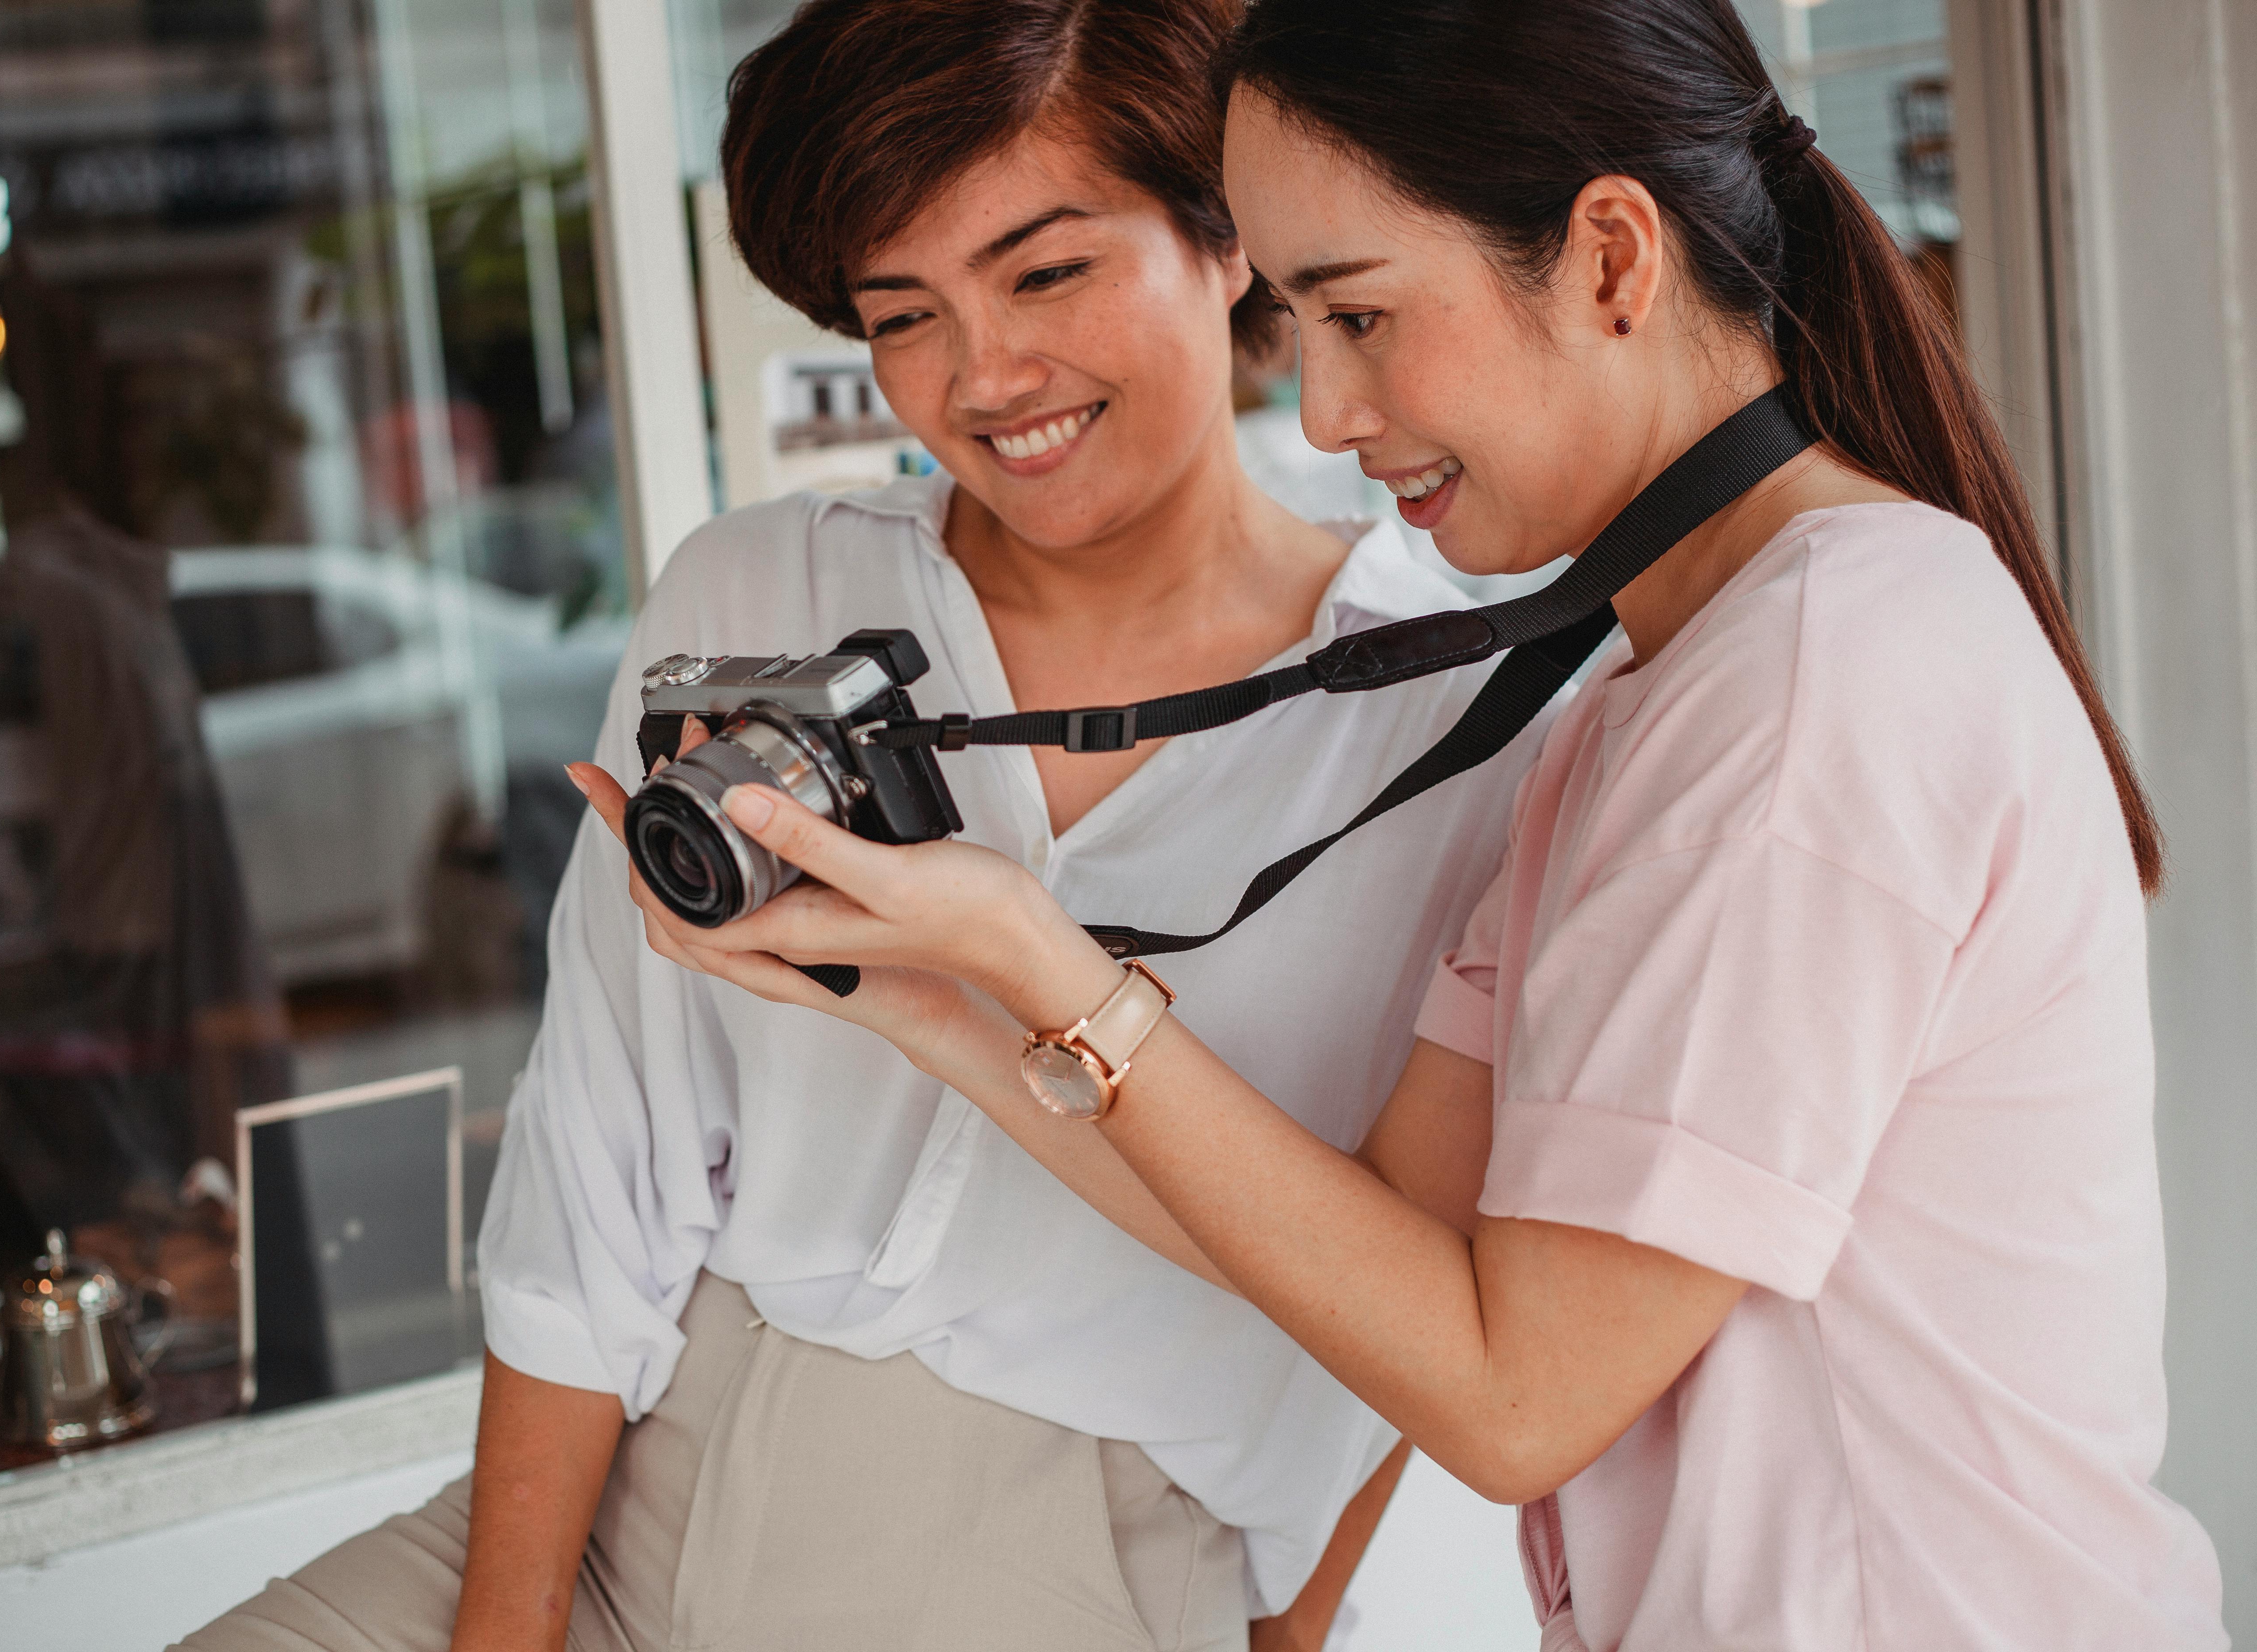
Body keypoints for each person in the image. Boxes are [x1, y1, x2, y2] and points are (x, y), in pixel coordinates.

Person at [564, 0, 2232, 1648]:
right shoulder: (1652, 701)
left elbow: (1512, 1398)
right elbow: (1388, 1246)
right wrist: (935, 996)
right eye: (1300, 321)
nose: (1327, 419)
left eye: (1358, 315)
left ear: (1609, 260)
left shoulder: (1818, 687)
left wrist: (1043, 960)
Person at [177, 1, 1548, 1649]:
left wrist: (1282, 1633)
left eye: (1047, 274)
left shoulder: (1460, 706)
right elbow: (598, 1159)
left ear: (1231, 235)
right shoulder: (764, 587)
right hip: (634, 1470)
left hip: (1059, 1540)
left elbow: (1416, 1295)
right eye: (904, 314)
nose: (983, 378)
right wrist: (510, 1621)